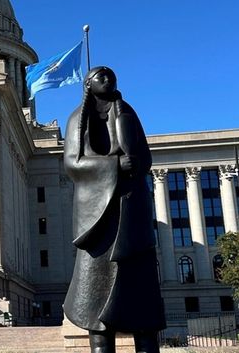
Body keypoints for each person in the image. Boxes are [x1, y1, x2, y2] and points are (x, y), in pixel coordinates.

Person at [63, 66, 166, 353]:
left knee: (141, 297)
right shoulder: (77, 120)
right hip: (97, 222)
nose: (108, 79)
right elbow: (72, 164)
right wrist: (115, 166)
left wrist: (133, 165)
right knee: (95, 304)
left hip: (132, 212)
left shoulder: (128, 114)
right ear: (87, 84)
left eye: (111, 75)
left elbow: (144, 157)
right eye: (100, 76)